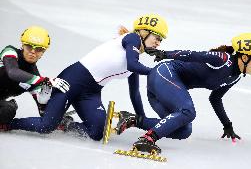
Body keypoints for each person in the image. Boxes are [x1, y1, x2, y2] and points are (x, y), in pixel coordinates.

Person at [3, 14, 169, 141]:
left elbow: (135, 94)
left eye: (160, 40)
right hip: (71, 81)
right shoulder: (131, 38)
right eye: (157, 38)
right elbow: (133, 65)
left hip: (91, 92)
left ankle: (65, 124)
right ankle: (7, 124)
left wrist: (143, 121)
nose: (158, 43)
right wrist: (155, 71)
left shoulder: (134, 59)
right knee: (46, 126)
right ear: (144, 32)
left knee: (97, 132)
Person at [115, 33, 251, 154]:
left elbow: (215, 98)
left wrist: (227, 125)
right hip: (164, 73)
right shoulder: (223, 59)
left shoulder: (235, 77)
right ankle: (148, 139)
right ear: (244, 57)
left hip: (161, 91)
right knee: (188, 111)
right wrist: (164, 54)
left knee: (183, 131)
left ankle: (133, 120)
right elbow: (193, 54)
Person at [0, 26, 69, 130]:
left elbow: (44, 114)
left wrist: (43, 103)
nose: (32, 51)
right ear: (22, 45)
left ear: (43, 52)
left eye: (38, 49)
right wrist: (44, 80)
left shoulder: (35, 78)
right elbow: (13, 72)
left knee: (7, 111)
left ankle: (10, 108)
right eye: (29, 46)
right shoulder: (10, 51)